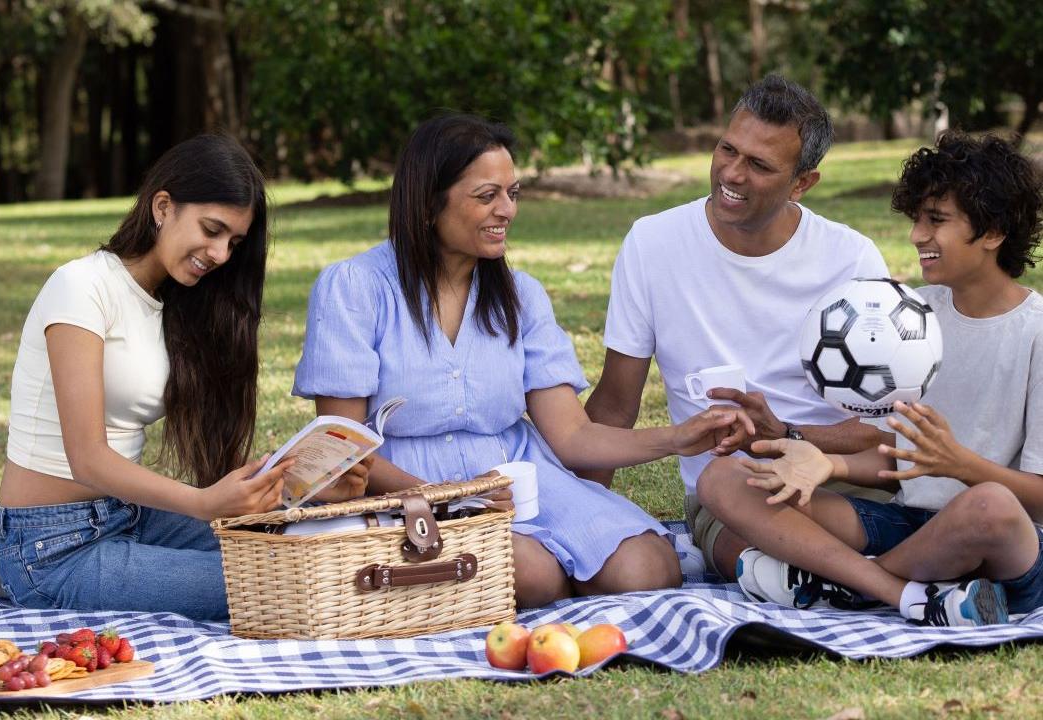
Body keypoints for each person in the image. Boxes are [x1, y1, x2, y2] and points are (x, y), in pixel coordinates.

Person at [291, 113, 755, 608]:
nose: (507, 210)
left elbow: (572, 437)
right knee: (532, 577)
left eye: (513, 193)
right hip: (409, 489)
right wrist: (454, 496)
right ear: (429, 203)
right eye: (487, 196)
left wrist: (677, 438)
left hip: (518, 478)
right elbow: (341, 449)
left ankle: (555, 568)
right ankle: (550, 573)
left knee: (649, 569)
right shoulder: (353, 288)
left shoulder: (522, 296)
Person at [0, 135, 368, 622]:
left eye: (233, 242)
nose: (220, 254)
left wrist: (296, 490)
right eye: (211, 230)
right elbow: (86, 458)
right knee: (276, 582)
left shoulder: (177, 303)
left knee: (299, 541)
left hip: (125, 517)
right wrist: (202, 503)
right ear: (163, 206)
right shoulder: (82, 287)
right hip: (50, 549)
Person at [700, 132, 1043, 626]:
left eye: (936, 221)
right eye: (917, 219)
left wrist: (960, 464)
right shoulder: (916, 315)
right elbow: (898, 456)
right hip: (908, 523)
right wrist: (826, 465)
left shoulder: (1033, 332)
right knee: (724, 477)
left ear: (992, 232)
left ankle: (843, 585)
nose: (917, 235)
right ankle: (896, 592)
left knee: (989, 505)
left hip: (1005, 546)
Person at [584, 74, 892, 579]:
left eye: (759, 164)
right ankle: (863, 580)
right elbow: (616, 405)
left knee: (794, 545)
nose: (732, 172)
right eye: (727, 149)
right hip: (729, 492)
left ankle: (831, 579)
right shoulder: (652, 243)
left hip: (838, 480)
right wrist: (581, 522)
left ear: (802, 183)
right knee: (736, 539)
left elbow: (884, 424)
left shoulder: (851, 260)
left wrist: (789, 435)